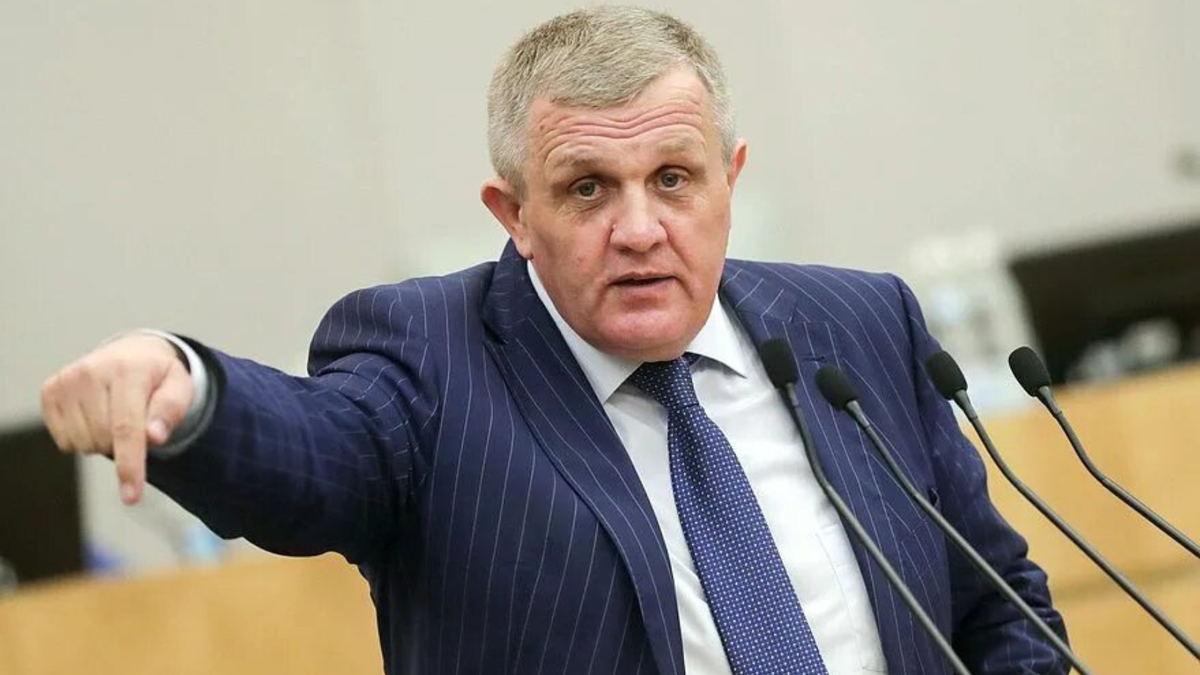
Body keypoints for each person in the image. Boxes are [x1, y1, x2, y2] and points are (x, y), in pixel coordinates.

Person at [39, 6, 1067, 675]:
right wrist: (190, 391)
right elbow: (312, 454)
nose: (639, 227)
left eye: (673, 178)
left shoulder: (859, 324)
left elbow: (996, 607)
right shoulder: (429, 359)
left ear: (731, 178)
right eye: (587, 189)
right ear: (515, 214)